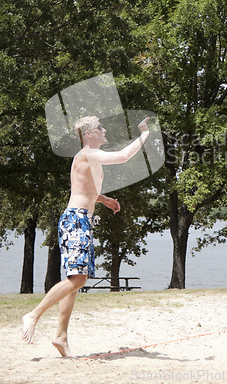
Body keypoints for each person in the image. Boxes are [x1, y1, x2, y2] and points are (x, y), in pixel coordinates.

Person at [22, 115, 150, 357]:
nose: (104, 130)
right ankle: (33, 315)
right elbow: (123, 156)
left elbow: (82, 187)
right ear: (90, 134)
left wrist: (104, 199)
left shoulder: (88, 159)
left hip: (81, 219)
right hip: (76, 220)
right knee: (79, 279)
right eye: (99, 127)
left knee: (75, 280)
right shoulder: (88, 153)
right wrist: (144, 134)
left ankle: (60, 337)